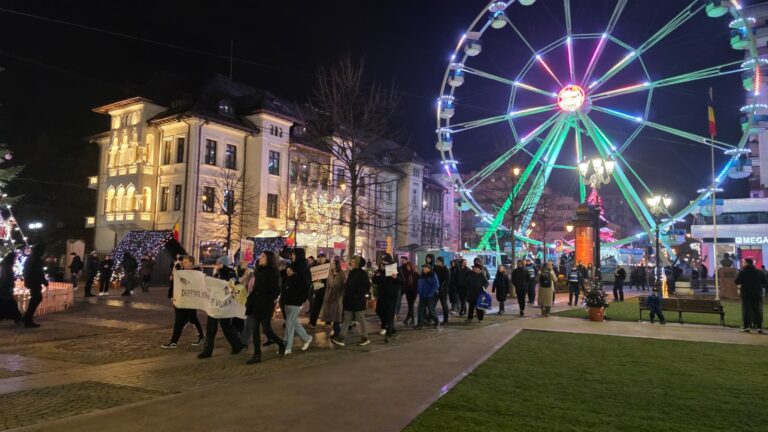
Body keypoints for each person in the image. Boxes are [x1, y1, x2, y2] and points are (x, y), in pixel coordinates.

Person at [243, 251, 286, 364]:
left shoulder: (273, 272)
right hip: (255, 304)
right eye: (260, 256)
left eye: (263, 256)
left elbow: (276, 290)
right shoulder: (259, 270)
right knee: (255, 330)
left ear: (269, 259)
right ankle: (257, 355)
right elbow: (256, 287)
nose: (260, 258)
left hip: (265, 305)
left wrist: (268, 301)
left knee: (266, 329)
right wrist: (250, 300)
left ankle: (281, 343)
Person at [198, 256, 245, 359]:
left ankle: (237, 345)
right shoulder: (217, 274)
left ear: (222, 264)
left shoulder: (230, 274)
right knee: (211, 329)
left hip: (223, 306)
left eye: (218, 263)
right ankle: (207, 351)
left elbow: (233, 286)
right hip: (214, 306)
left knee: (227, 328)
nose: (216, 265)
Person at [161, 255, 205, 349]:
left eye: (185, 262)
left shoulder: (197, 272)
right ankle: (173, 342)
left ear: (191, 263)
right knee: (178, 321)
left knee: (192, 318)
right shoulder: (180, 271)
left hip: (191, 300)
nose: (183, 263)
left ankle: (201, 337)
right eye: (183, 262)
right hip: (180, 300)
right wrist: (172, 295)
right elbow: (175, 285)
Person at [331, 256, 371, 347]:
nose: (351, 262)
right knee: (346, 319)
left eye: (353, 261)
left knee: (361, 319)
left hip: (357, 301)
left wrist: (357, 293)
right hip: (349, 300)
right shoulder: (352, 272)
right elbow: (348, 284)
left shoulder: (362, 273)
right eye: (351, 260)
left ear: (357, 263)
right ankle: (340, 338)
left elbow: (367, 287)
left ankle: (365, 338)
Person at [282, 248, 313, 355]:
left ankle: (287, 346)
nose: (292, 256)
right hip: (288, 297)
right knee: (293, 321)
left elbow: (305, 284)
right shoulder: (292, 266)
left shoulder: (304, 268)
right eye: (291, 254)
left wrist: (293, 275)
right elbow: (285, 278)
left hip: (296, 299)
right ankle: (307, 338)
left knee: (289, 323)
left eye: (294, 254)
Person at [372, 256, 402, 342]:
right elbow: (374, 280)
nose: (383, 263)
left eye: (385, 262)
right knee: (379, 310)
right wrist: (380, 272)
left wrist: (396, 277)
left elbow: (402, 281)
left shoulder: (395, 269)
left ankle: (389, 332)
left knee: (390, 314)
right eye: (383, 262)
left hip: (392, 295)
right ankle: (389, 327)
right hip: (382, 295)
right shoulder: (381, 269)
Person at [735, 258, 766, 333]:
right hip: (756, 293)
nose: (742, 264)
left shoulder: (742, 272)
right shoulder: (759, 271)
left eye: (743, 262)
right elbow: (765, 281)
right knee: (757, 310)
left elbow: (737, 281)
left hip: (746, 294)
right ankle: (759, 327)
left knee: (746, 310)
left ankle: (746, 327)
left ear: (746, 263)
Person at [22, 244, 48, 328]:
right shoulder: (37, 260)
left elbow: (26, 270)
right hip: (34, 282)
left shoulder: (30, 258)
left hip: (30, 281)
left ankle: (27, 318)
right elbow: (39, 272)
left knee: (35, 299)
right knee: (36, 298)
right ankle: (27, 319)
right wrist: (44, 281)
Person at [320, 259, 346, 338]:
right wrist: (326, 295)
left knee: (337, 316)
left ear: (337, 265)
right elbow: (328, 285)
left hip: (338, 296)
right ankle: (336, 331)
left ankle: (337, 332)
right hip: (330, 296)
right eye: (331, 264)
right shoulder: (330, 273)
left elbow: (344, 286)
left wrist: (341, 295)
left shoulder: (342, 274)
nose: (331, 265)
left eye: (333, 264)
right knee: (331, 314)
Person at [416, 263, 439, 329]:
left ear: (429, 269)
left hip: (430, 297)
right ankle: (420, 324)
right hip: (422, 296)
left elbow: (436, 285)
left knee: (431, 310)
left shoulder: (433, 275)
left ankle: (436, 321)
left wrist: (430, 293)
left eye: (425, 268)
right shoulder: (422, 275)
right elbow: (419, 284)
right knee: (420, 310)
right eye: (423, 268)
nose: (423, 269)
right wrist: (418, 291)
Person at [0, 252, 21, 324]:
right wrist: (10, 286)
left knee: (6, 303)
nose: (16, 260)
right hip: (5, 287)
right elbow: (7, 277)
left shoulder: (6, 265)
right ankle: (17, 318)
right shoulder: (7, 266)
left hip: (4, 287)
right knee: (11, 303)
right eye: (15, 258)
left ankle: (17, 318)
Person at [308, 254, 328, 328]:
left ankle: (328, 322)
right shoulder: (315, 265)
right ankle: (312, 322)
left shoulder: (328, 266)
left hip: (327, 288)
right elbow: (311, 274)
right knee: (316, 305)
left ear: (325, 258)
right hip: (318, 287)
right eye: (319, 258)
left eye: (322, 258)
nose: (320, 259)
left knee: (326, 306)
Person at [434, 256, 451, 323]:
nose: (437, 263)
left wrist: (442, 288)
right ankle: (431, 318)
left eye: (439, 262)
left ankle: (446, 319)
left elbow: (447, 280)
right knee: (432, 305)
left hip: (443, 290)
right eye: (437, 261)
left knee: (444, 305)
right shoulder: (435, 269)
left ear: (442, 262)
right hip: (436, 289)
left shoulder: (446, 269)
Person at [401, 262, 418, 326]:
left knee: (411, 305)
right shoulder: (406, 274)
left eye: (409, 267)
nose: (408, 268)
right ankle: (412, 320)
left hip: (413, 292)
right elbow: (405, 283)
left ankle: (407, 319)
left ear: (411, 267)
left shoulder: (415, 274)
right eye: (407, 267)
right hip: (408, 292)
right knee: (410, 306)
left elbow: (416, 283)